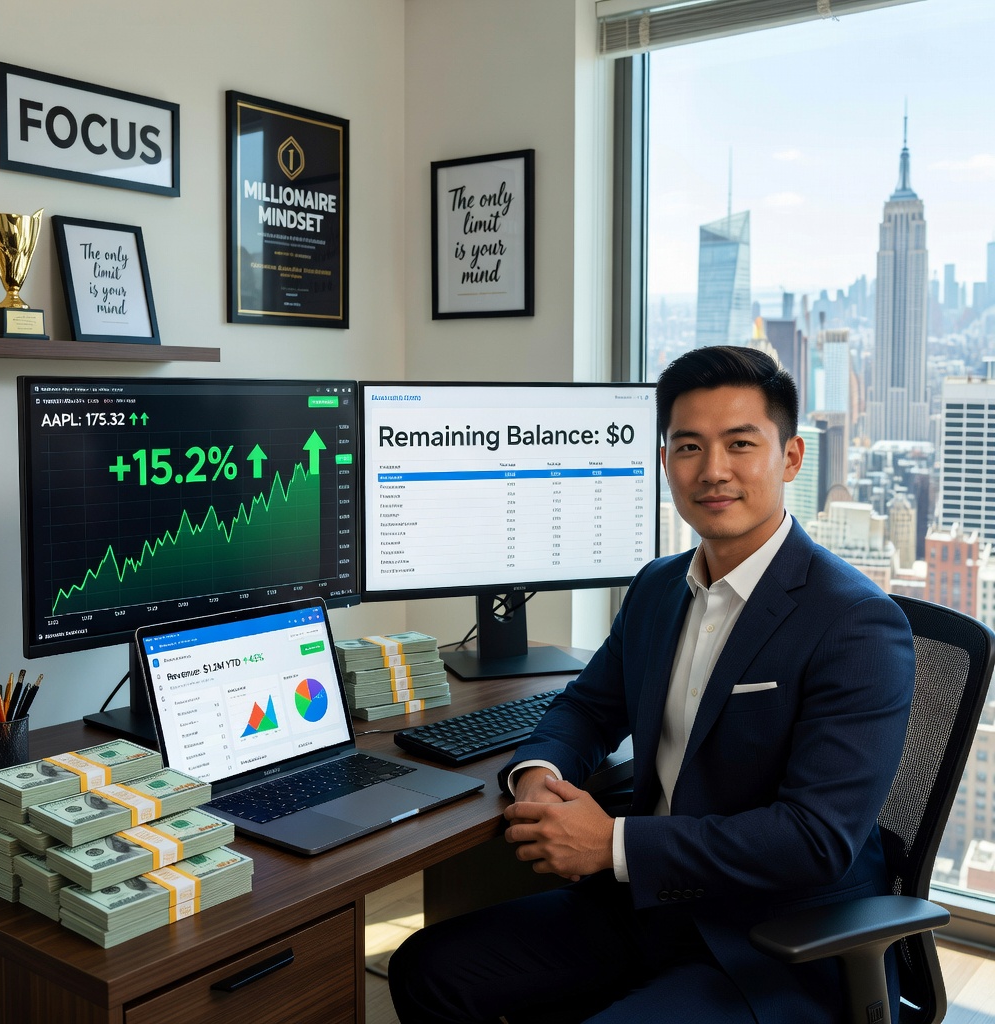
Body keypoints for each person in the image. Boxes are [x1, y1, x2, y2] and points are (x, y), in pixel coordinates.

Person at [388, 345, 915, 1024]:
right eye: (689, 447)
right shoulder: (659, 587)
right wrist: (538, 774)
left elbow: (814, 839)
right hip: (643, 907)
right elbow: (588, 707)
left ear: (790, 458)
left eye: (740, 444)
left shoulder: (856, 622)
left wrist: (611, 844)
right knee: (427, 969)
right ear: (666, 461)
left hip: (772, 942)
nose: (713, 470)